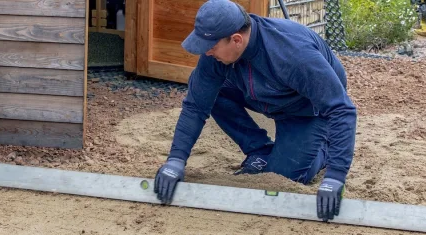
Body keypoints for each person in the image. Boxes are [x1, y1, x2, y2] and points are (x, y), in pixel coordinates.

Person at [153, 0, 357, 221]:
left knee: (285, 176)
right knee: (210, 90)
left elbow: (341, 109)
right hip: (266, 93)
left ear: (237, 40)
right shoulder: (218, 51)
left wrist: (335, 178)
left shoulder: (293, 54)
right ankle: (259, 150)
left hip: (306, 108)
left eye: (211, 47)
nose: (207, 53)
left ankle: (322, 146)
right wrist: (175, 161)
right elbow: (195, 105)